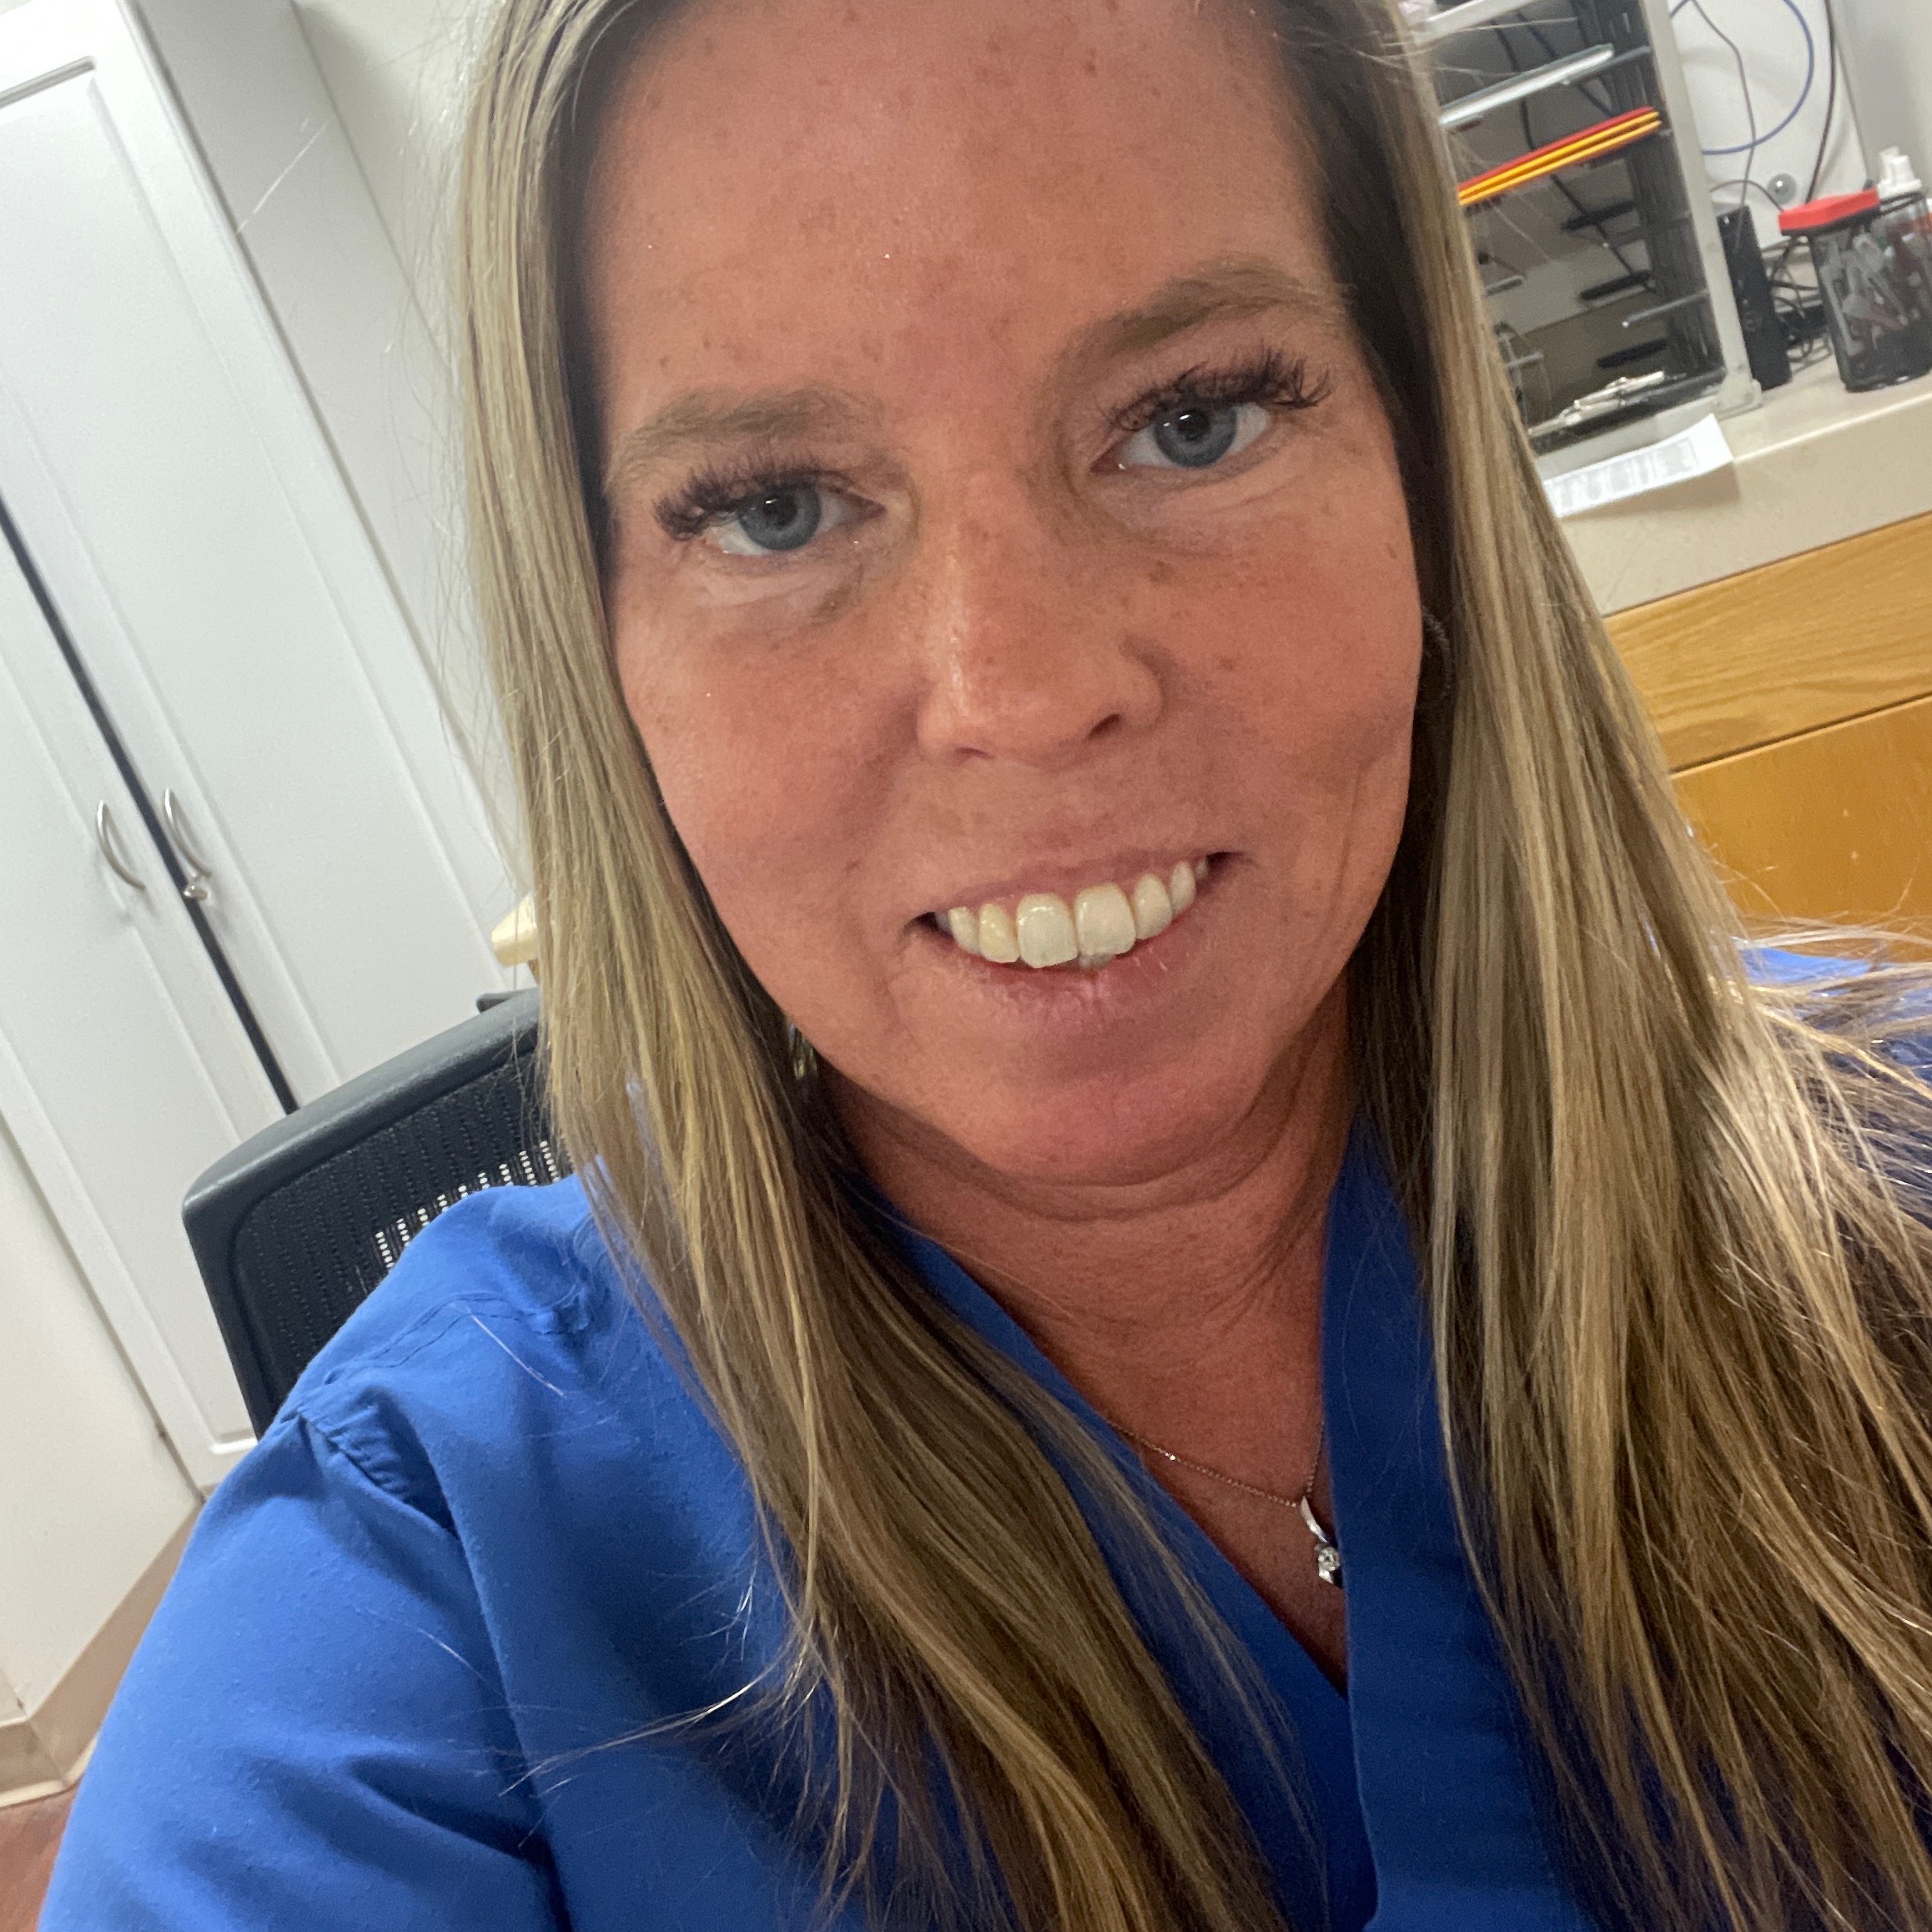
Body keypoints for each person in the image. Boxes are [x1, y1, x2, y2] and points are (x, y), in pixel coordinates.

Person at [40, 0, 1932, 1926]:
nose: (1020, 694)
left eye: (1192, 417)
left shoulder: (1895, 1203)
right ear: (599, 643)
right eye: (774, 509)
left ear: (1428, 471)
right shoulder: (414, 1593)